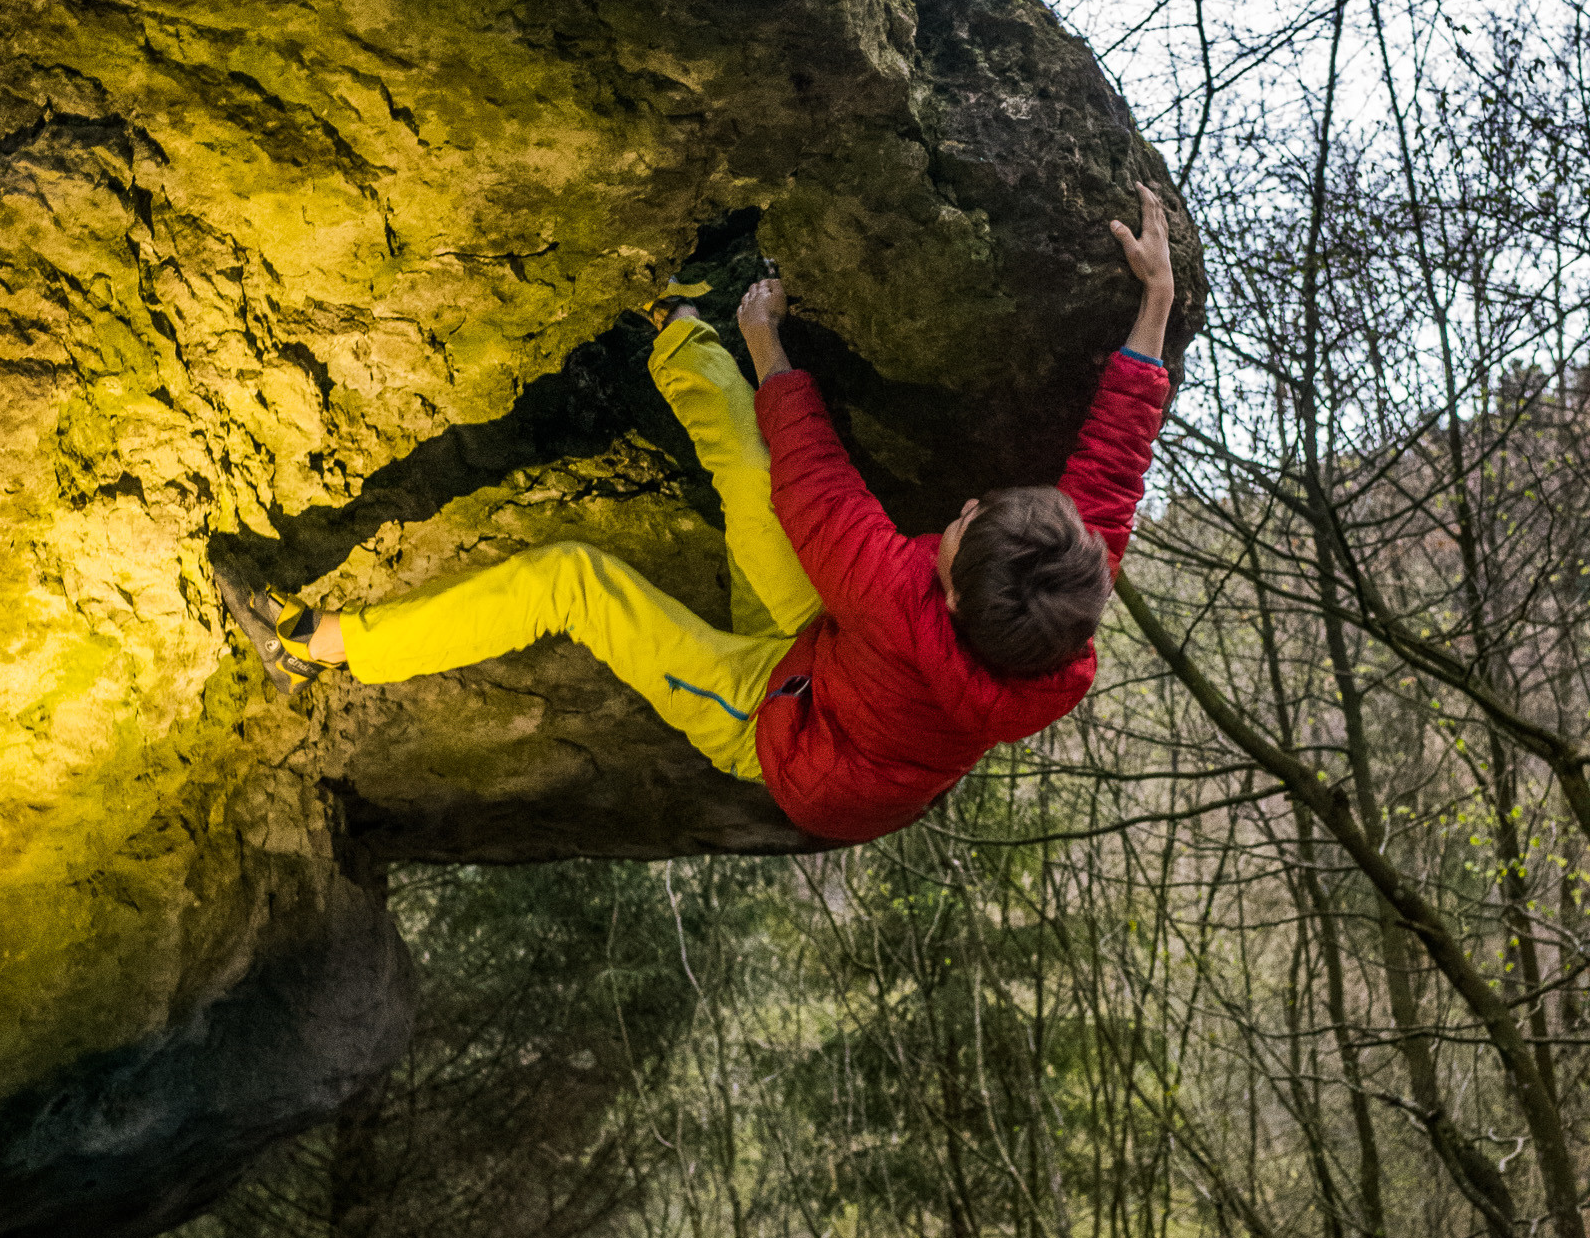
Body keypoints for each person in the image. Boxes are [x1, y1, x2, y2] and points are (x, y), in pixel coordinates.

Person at [216, 183, 1175, 844]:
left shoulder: (892, 592)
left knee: (572, 582)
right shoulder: (1057, 611)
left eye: (960, 529)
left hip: (788, 730)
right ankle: (670, 325)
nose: (961, 507)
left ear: (958, 604)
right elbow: (1110, 477)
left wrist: (765, 332)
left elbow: (817, 482)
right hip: (836, 648)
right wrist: (1154, 305)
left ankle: (324, 649)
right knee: (745, 466)